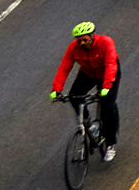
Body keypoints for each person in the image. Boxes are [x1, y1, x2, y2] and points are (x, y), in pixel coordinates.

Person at [49, 20, 121, 162]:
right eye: (78, 40)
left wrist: (106, 86)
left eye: (84, 40)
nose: (81, 43)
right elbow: (64, 67)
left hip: (108, 74)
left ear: (92, 36)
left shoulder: (106, 42)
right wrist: (56, 89)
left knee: (107, 107)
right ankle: (88, 123)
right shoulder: (73, 48)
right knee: (74, 97)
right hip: (88, 73)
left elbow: (110, 64)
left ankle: (111, 144)